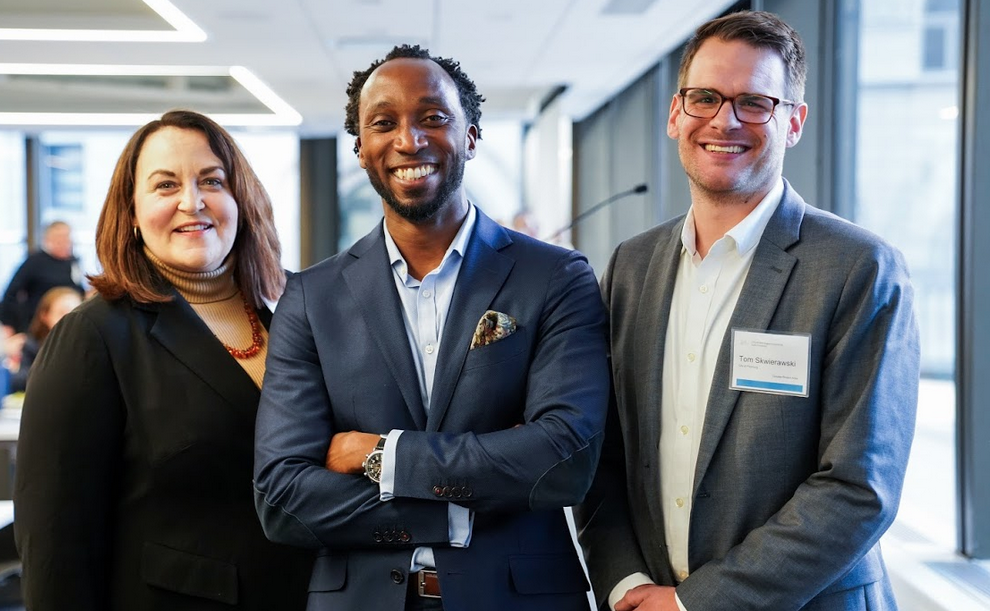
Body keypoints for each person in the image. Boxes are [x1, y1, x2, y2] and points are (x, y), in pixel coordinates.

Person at [575, 10, 919, 611]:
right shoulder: (631, 266)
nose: (723, 121)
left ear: (794, 123)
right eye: (704, 97)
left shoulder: (858, 268)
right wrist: (627, 584)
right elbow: (603, 455)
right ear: (675, 112)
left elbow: (858, 488)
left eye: (754, 103)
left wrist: (694, 604)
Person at [254, 44, 610, 611]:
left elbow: (564, 459)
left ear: (470, 135)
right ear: (361, 149)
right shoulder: (310, 299)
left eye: (433, 117)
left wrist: (381, 457)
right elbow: (283, 495)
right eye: (383, 123)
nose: (409, 140)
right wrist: (455, 507)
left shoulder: (556, 277)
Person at [13, 109, 313, 610]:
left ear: (240, 197)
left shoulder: (295, 317)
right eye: (164, 185)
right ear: (131, 211)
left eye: (211, 181)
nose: (191, 202)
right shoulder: (93, 337)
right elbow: (54, 544)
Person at [0, 220, 84, 333]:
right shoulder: (34, 262)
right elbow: (11, 293)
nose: (65, 242)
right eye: (59, 238)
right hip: (39, 325)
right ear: (47, 240)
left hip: (70, 323)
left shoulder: (73, 262)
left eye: (67, 238)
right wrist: (8, 324)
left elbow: (79, 289)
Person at [8, 286, 82, 393]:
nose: (69, 321)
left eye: (75, 314)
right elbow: (18, 380)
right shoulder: (32, 344)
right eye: (62, 313)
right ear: (45, 315)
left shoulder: (88, 345)